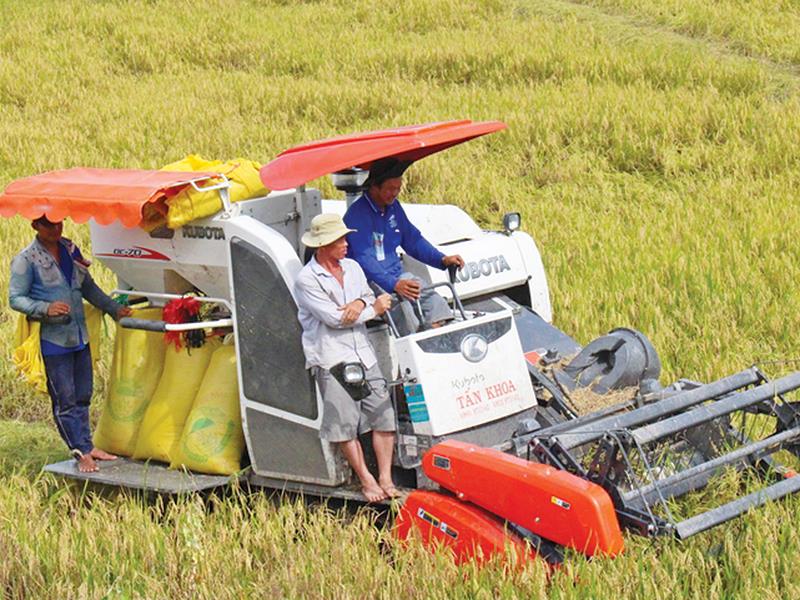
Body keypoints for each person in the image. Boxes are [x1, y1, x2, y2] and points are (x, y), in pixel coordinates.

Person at [9, 216, 132, 473]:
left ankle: (87, 445)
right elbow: (16, 298)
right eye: (48, 225)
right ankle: (79, 452)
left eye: (58, 224)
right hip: (53, 340)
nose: (55, 229)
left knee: (83, 395)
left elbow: (87, 286)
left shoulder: (70, 249)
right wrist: (45, 308)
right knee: (64, 400)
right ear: (35, 226)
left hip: (79, 336)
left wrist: (114, 308)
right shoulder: (27, 259)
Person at [294, 213, 397, 502]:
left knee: (383, 415)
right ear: (323, 245)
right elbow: (333, 319)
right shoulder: (306, 280)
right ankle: (366, 479)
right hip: (332, 356)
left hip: (363, 353)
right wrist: (373, 310)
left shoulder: (352, 267)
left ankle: (385, 476)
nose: (346, 244)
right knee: (343, 423)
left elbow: (365, 293)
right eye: (340, 240)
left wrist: (359, 302)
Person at [343, 157, 465, 335]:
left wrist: (442, 259)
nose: (395, 193)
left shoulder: (393, 207)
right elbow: (364, 259)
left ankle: (436, 335)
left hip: (398, 275)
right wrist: (394, 284)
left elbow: (412, 240)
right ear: (374, 187)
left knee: (432, 300)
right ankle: (416, 346)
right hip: (370, 282)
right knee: (405, 312)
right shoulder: (356, 216)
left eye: (398, 189)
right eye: (390, 189)